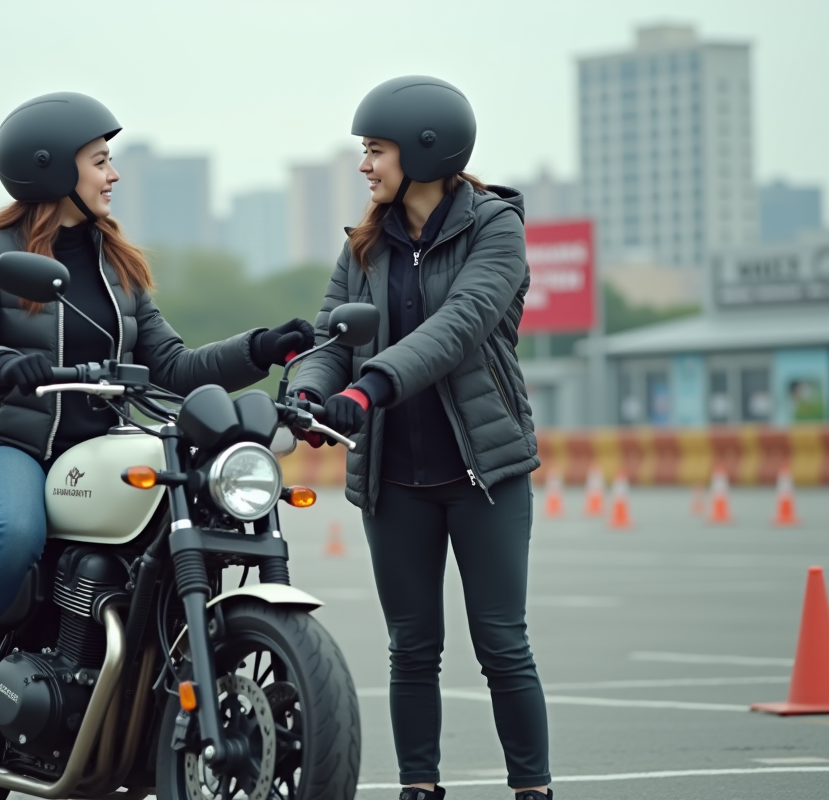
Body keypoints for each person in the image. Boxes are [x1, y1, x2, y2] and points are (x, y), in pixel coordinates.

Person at [0, 91, 314, 767]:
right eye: (100, 161)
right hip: (10, 445)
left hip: (97, 449)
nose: (113, 174)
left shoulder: (117, 265)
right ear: (49, 169)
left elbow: (173, 364)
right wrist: (4, 365)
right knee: (16, 535)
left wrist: (260, 347)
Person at [290, 76, 551, 800]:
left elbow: (458, 328)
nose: (365, 166)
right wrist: (313, 388)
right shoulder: (366, 244)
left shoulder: (496, 228)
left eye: (375, 150)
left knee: (503, 645)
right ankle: (418, 788)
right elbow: (331, 335)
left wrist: (364, 388)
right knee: (412, 649)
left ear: (426, 150)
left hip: (482, 474)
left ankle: (533, 789)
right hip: (393, 477)